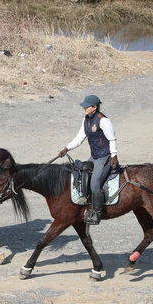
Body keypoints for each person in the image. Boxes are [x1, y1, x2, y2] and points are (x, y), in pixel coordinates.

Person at [58, 94, 119, 225]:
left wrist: (114, 155)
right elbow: (80, 137)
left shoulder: (103, 121)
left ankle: (97, 213)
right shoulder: (86, 119)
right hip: (95, 156)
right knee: (82, 173)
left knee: (95, 182)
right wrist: (66, 148)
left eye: (87, 106)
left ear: (95, 107)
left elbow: (112, 138)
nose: (84, 108)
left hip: (105, 157)